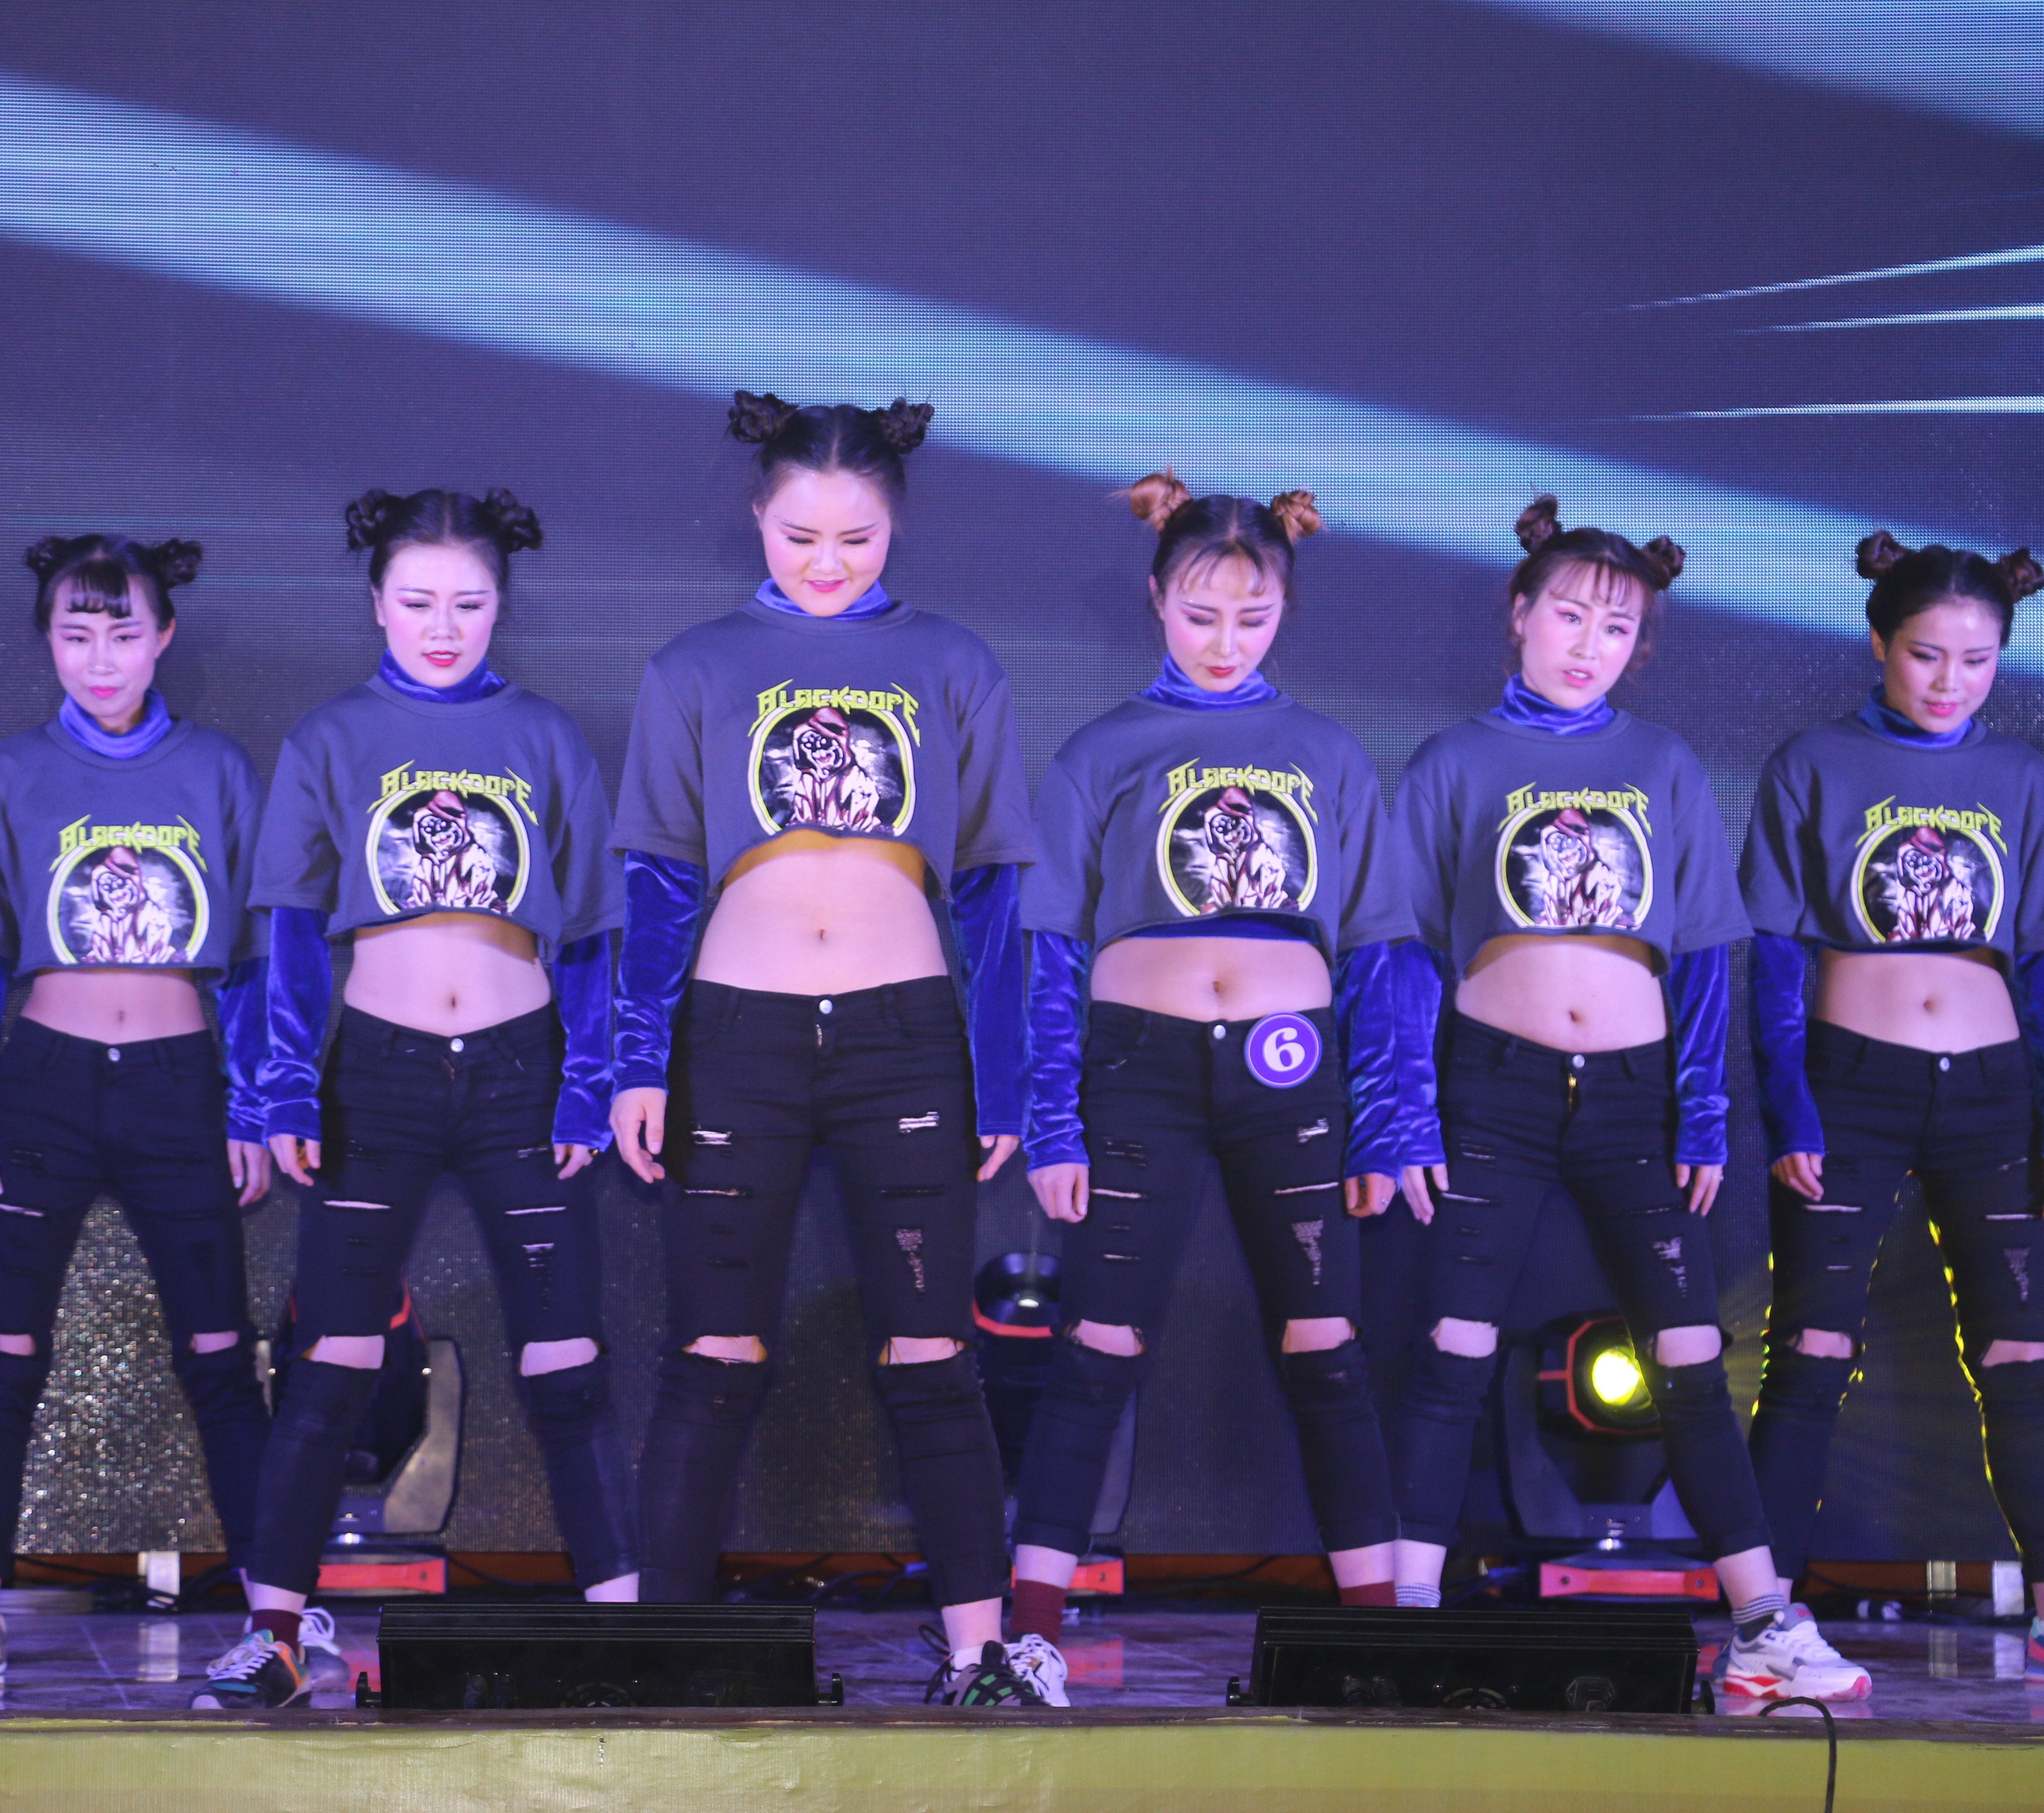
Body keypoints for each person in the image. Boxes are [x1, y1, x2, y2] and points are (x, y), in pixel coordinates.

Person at [1387, 496, 1868, 1701]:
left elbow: (1705, 952)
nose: (1588, 643)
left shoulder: (1661, 764)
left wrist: (1702, 1111)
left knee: (1691, 1359)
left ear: (1639, 645)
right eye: (1569, 615)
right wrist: (1404, 1110)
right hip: (1492, 1086)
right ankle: (1398, 1627)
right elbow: (1400, 949)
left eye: (1617, 627)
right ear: (1520, 613)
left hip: (1633, 1099)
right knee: (1454, 1349)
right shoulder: (1455, 760)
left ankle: (1763, 1630)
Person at [610, 392, 1041, 1706]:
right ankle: (666, 1660)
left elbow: (997, 888)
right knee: (712, 1351)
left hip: (902, 1040)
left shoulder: (952, 661)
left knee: (933, 1352)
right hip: (737, 1036)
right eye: (801, 535)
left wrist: (1004, 1072)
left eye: (857, 538)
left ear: (895, 526)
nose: (828, 560)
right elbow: (655, 881)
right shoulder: (695, 666)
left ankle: (980, 1655)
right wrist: (639, 1061)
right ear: (758, 516)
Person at [195, 487, 631, 1709]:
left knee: (567, 1360)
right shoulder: (331, 737)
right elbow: (287, 925)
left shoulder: (544, 734)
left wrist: (587, 1085)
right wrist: (284, 1090)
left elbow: (597, 930)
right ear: (376, 604)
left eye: (470, 604)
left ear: (502, 607)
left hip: (520, 1073)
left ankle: (622, 1632)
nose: (444, 627)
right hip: (378, 1075)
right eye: (419, 601)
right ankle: (277, 1636)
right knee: (330, 1360)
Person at [1013, 477, 1410, 1698]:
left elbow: (1382, 948)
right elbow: (1048, 947)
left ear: (1284, 607)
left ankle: (1378, 1643)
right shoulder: (1103, 750)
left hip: (1289, 1072)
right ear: (1156, 600)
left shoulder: (1326, 752)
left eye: (1252, 617)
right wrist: (1051, 1120)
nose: (1225, 641)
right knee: (1098, 1343)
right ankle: (1029, 1632)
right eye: (1200, 616)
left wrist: (1391, 1123)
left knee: (1327, 1345)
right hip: (1141, 1070)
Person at [0, 535, 273, 1683]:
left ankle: (273, 1622)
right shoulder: (7, 776)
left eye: (124, 632)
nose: (102, 657)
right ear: (48, 642)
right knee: (5, 1350)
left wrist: (256, 1106)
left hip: (180, 1085)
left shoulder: (216, 768)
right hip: (47, 1086)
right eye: (77, 635)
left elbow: (260, 954)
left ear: (164, 635)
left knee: (220, 1352)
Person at [1741, 533, 2044, 1686]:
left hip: (1991, 1091)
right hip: (1852, 1084)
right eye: (1928, 654)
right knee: (1811, 1348)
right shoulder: (1815, 762)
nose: (1951, 681)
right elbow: (1773, 955)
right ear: (1881, 643)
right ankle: (1766, 1620)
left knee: (2019, 1353)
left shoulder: (2024, 779)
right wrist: (1789, 1109)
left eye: (1977, 661)